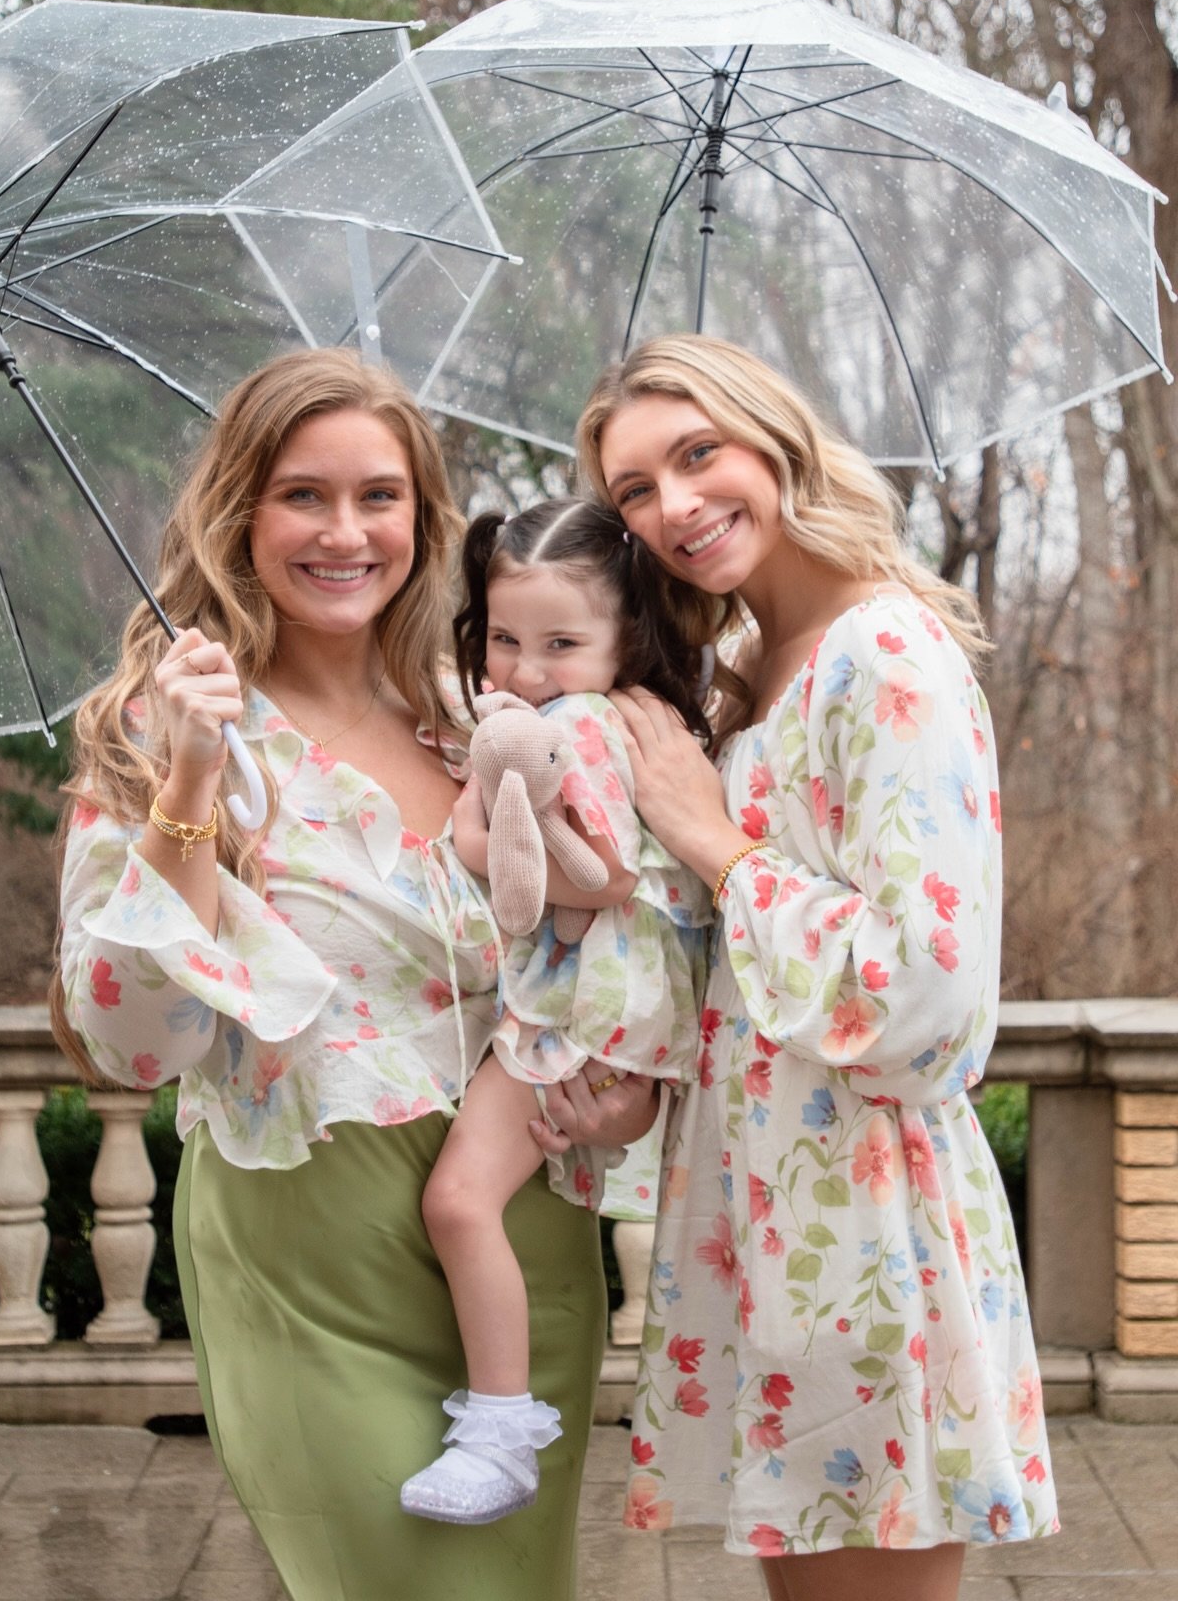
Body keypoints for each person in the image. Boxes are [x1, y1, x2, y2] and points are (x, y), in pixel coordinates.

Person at [53, 348, 607, 1601]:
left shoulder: (480, 717)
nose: (346, 533)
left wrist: (614, 1088)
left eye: (379, 496)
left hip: (521, 1242)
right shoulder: (164, 728)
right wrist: (191, 778)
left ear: (423, 515)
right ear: (240, 512)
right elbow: (129, 1042)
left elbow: (595, 951)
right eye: (304, 495)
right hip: (306, 1245)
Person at [535, 335, 1058, 1600]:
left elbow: (927, 991)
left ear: (776, 443)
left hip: (866, 1213)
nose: (674, 505)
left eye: (698, 453)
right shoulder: (751, 675)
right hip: (766, 1205)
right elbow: (728, 973)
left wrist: (716, 842)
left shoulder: (886, 653)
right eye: (636, 488)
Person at [399, 498, 712, 1526]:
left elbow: (599, 877)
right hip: (617, 1010)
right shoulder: (619, 718)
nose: (528, 670)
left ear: (627, 635)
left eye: (561, 644)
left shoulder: (578, 726)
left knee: (459, 1203)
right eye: (506, 639)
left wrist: (471, 834)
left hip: (580, 1014)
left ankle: (499, 1431)